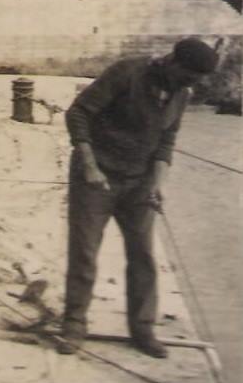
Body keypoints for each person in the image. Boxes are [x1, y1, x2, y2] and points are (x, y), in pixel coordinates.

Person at [59, 37, 219, 358]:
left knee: (143, 256)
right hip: (96, 177)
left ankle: (143, 329)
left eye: (195, 81)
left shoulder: (182, 93)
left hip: (139, 183)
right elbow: (78, 113)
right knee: (85, 253)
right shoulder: (126, 73)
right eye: (188, 77)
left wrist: (158, 183)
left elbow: (166, 142)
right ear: (173, 62)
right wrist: (89, 166)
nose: (190, 85)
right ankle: (74, 324)